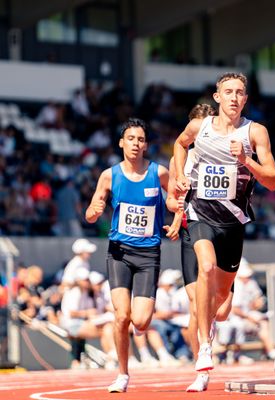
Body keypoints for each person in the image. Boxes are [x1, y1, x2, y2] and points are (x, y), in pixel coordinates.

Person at [172, 72, 275, 374]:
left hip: (232, 222)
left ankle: (217, 310)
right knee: (204, 267)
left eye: (240, 92)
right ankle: (204, 347)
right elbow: (180, 145)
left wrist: (247, 160)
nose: (234, 97)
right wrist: (180, 174)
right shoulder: (199, 126)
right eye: (228, 91)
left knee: (219, 304)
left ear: (245, 99)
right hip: (199, 213)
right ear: (217, 97)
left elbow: (272, 181)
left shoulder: (255, 132)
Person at [85, 118, 170, 393]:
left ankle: (141, 324)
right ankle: (122, 373)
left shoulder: (159, 173)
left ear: (146, 145)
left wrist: (177, 217)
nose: (136, 143)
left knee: (141, 321)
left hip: (148, 255)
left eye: (140, 139)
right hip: (119, 253)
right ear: (122, 142)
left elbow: (177, 199)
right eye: (130, 138)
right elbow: (90, 212)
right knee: (121, 316)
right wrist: (95, 212)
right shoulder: (109, 175)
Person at [166, 103, 237, 391]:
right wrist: (177, 207)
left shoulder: (224, 154)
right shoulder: (180, 158)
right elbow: (171, 199)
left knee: (219, 311)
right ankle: (202, 367)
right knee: (196, 305)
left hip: (221, 230)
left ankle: (223, 295)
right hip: (190, 232)